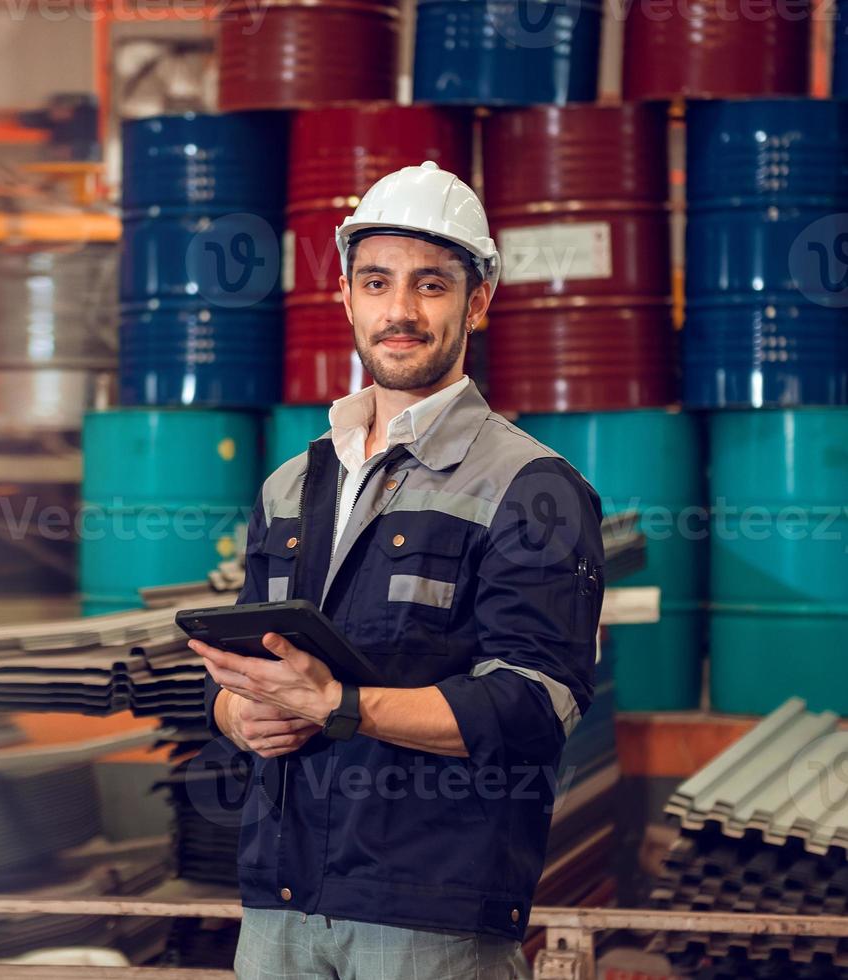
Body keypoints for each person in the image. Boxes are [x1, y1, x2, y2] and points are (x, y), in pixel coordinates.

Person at [189, 162, 605, 979]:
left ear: (478, 302)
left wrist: (339, 706)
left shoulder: (532, 487)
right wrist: (240, 716)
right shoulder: (291, 485)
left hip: (431, 918)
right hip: (279, 903)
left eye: (432, 285)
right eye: (376, 282)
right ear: (345, 297)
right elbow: (237, 672)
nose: (401, 311)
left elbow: (535, 706)